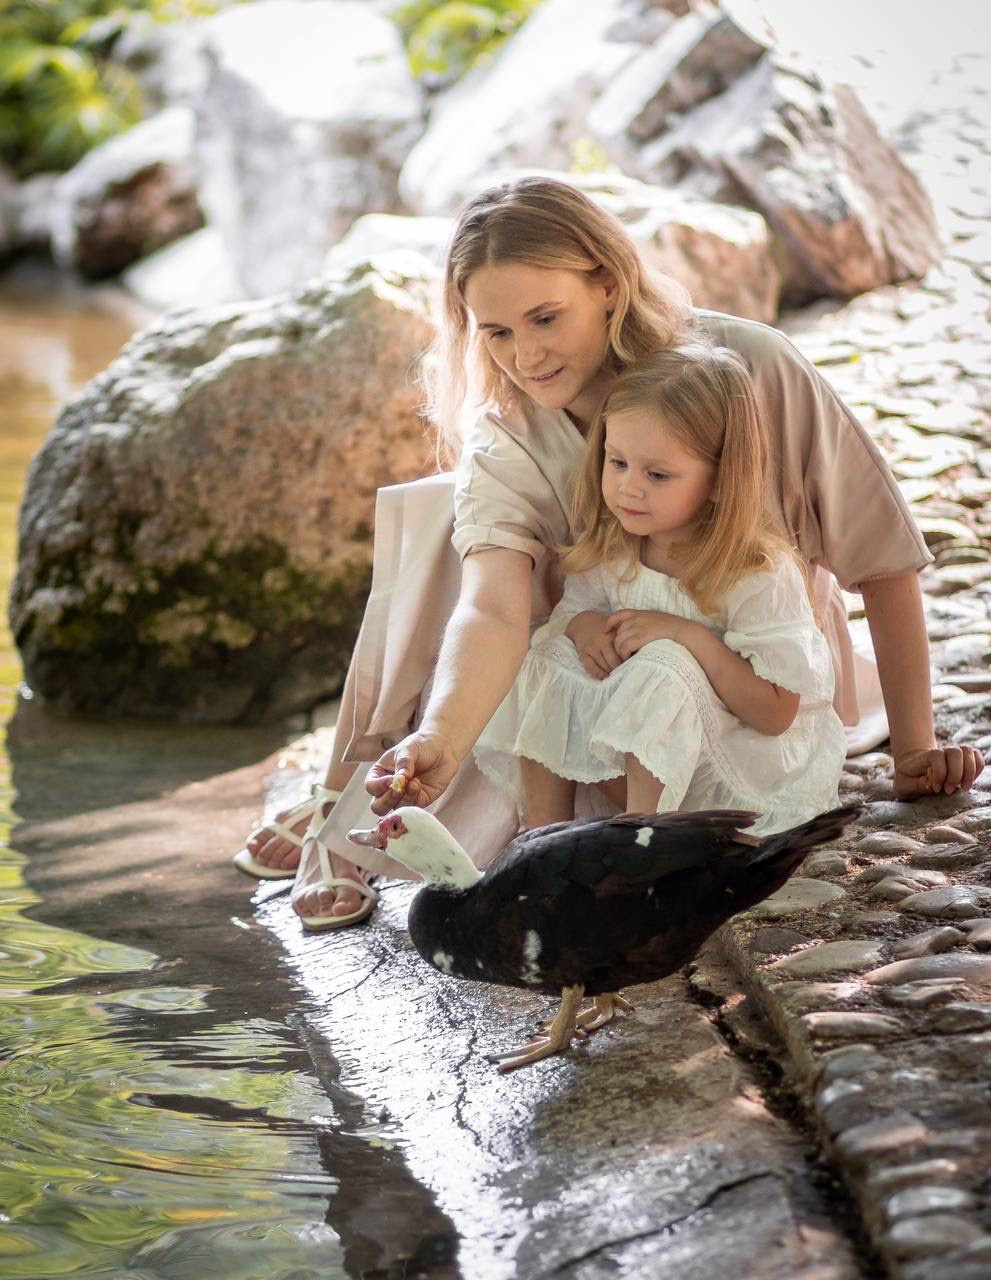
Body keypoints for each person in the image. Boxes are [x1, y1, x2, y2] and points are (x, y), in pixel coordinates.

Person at [236, 176, 985, 928]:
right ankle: (392, 771)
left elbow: (881, 557)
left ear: (605, 282)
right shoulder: (512, 426)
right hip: (596, 661)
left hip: (741, 662)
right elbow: (493, 605)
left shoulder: (748, 366)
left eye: (544, 317)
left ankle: (372, 803)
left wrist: (913, 753)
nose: (524, 355)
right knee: (445, 517)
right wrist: (443, 733)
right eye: (494, 332)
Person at [473, 343, 847, 834]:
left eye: (657, 474)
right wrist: (585, 629)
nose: (629, 488)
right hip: (648, 761)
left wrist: (686, 639)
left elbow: (775, 714)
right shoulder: (615, 546)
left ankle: (639, 845)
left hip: (739, 778)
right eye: (617, 462)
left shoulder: (754, 571)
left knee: (662, 665)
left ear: (719, 479)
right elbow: (575, 613)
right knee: (546, 650)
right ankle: (543, 835)